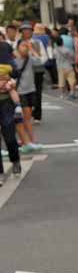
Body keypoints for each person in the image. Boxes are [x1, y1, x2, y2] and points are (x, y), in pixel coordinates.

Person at [14, 40, 42, 153]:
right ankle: (30, 141)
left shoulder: (30, 59)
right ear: (17, 48)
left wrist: (31, 50)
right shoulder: (14, 60)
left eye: (26, 46)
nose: (25, 48)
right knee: (24, 117)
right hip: (20, 92)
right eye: (23, 46)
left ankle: (29, 141)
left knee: (28, 117)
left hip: (30, 90)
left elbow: (39, 62)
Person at [0, 42, 21, 182]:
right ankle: (0, 173)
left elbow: (16, 71)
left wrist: (9, 79)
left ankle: (15, 160)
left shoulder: (4, 48)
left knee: (10, 138)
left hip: (6, 103)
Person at [19, 22, 46, 124]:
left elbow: (44, 57)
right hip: (24, 72)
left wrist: (36, 60)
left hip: (37, 71)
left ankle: (37, 116)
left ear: (32, 32)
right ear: (21, 32)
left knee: (37, 93)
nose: (26, 32)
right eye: (24, 31)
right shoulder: (18, 43)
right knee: (24, 93)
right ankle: (27, 113)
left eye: (29, 30)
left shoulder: (38, 43)